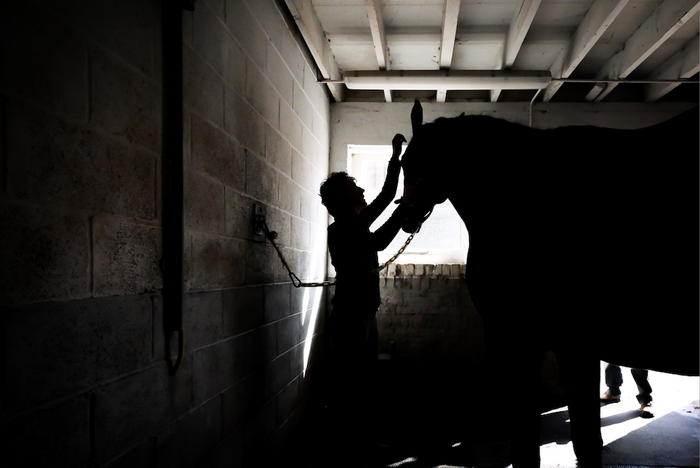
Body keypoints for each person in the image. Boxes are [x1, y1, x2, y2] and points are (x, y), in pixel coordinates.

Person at [319, 133, 416, 454]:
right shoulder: (344, 229)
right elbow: (381, 240)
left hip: (362, 314)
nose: (361, 190)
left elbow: (387, 199)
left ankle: (359, 442)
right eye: (354, 189)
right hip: (351, 318)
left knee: (363, 380)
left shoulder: (355, 223)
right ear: (343, 201)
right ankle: (348, 446)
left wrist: (396, 157)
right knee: (352, 385)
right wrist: (406, 206)